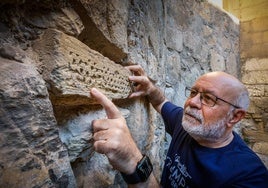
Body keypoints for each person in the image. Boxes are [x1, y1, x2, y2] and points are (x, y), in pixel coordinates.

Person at [90, 65, 268, 187]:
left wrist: (133, 161)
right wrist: (150, 88)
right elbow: (162, 103)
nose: (192, 102)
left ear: (234, 116)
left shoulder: (249, 177)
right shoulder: (187, 125)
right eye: (193, 92)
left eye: (208, 98)